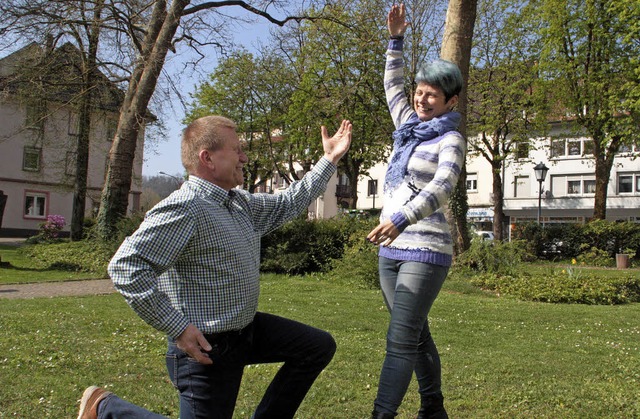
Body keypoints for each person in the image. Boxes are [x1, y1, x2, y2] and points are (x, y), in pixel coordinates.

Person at [79, 115, 352, 419]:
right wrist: (177, 327)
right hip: (207, 348)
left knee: (316, 346)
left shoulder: (239, 203)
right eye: (236, 150)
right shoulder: (186, 207)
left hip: (246, 332)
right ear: (207, 158)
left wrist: (329, 158)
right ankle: (105, 409)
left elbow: (290, 202)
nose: (244, 157)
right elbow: (126, 266)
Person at [365, 4, 466, 419]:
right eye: (419, 91)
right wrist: (395, 41)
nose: (421, 99)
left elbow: (444, 187)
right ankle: (433, 409)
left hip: (425, 249)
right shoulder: (407, 124)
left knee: (400, 339)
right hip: (390, 249)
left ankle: (380, 414)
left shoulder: (452, 139)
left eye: (432, 95)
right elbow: (391, 85)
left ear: (450, 100)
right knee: (417, 335)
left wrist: (402, 218)